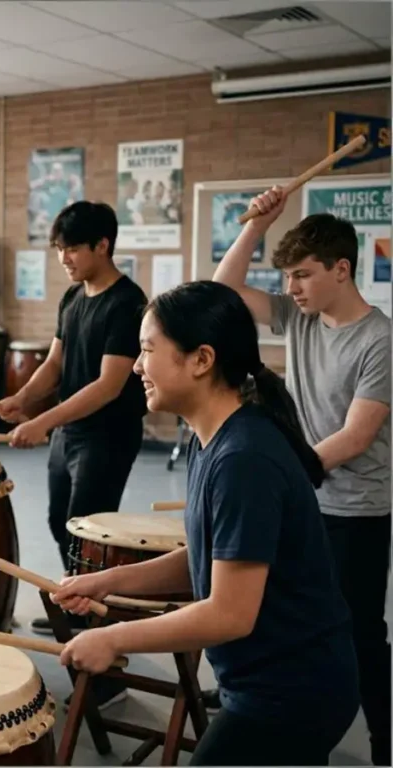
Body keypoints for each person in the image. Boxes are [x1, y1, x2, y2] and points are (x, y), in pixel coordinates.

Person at [53, 280, 360, 766]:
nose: (136, 366)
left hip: (293, 692)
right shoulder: (211, 438)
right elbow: (208, 554)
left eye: (148, 350)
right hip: (269, 682)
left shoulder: (244, 459)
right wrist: (109, 581)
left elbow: (229, 614)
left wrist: (113, 637)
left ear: (201, 359)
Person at [212, 187, 390, 765]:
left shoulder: (381, 340)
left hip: (357, 509)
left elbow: (356, 436)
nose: (290, 288)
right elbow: (223, 290)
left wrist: (285, 473)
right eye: (286, 275)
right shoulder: (299, 317)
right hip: (306, 496)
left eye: (303, 274)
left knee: (358, 633)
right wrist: (257, 225)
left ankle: (385, 743)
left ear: (342, 269)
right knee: (289, 615)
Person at [0, 202, 147, 657]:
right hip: (72, 434)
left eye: (72, 249)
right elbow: (55, 363)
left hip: (107, 434)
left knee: (90, 531)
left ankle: (99, 622)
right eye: (59, 249)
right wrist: (23, 398)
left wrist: (42, 421)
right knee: (61, 522)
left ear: (103, 246)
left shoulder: (127, 303)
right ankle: (82, 606)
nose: (64, 258)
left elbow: (108, 385)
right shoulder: (73, 297)